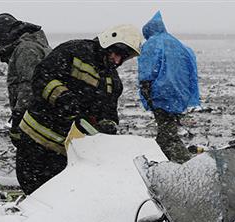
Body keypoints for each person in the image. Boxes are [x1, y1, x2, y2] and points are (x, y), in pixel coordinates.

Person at [14, 24, 143, 194]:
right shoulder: (74, 51)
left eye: (123, 58)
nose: (118, 61)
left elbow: (109, 112)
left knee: (53, 195)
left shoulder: (113, 82)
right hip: (35, 137)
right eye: (117, 54)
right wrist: (62, 97)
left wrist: (107, 125)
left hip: (65, 150)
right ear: (108, 42)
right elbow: (41, 76)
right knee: (31, 188)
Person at [138, 11, 200, 163]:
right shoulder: (178, 44)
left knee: (168, 137)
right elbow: (190, 69)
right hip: (179, 95)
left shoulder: (152, 43)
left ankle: (186, 166)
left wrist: (146, 91)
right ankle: (169, 163)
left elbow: (147, 71)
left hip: (161, 94)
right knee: (167, 132)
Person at [0, 13, 51, 146]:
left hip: (36, 118)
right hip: (41, 115)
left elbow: (29, 85)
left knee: (32, 159)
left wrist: (19, 117)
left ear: (5, 36)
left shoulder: (26, 49)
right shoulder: (29, 46)